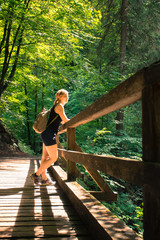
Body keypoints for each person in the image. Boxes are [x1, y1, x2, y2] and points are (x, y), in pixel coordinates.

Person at [31, 89, 70, 185]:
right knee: (53, 158)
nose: (67, 98)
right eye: (65, 96)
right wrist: (76, 122)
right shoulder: (60, 106)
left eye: (67, 96)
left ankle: (44, 179)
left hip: (46, 134)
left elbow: (59, 121)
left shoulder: (56, 106)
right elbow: (65, 120)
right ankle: (36, 175)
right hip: (49, 134)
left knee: (45, 157)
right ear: (60, 97)